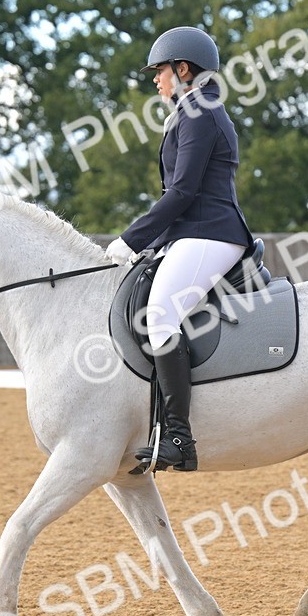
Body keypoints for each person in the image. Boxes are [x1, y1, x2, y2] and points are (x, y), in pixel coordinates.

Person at [105, 26, 254, 472]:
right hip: (193, 233)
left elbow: (184, 191)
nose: (156, 80)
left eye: (160, 71)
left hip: (212, 232)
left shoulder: (200, 111)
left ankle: (178, 436)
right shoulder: (191, 111)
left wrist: (130, 239)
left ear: (183, 69)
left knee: (160, 315)